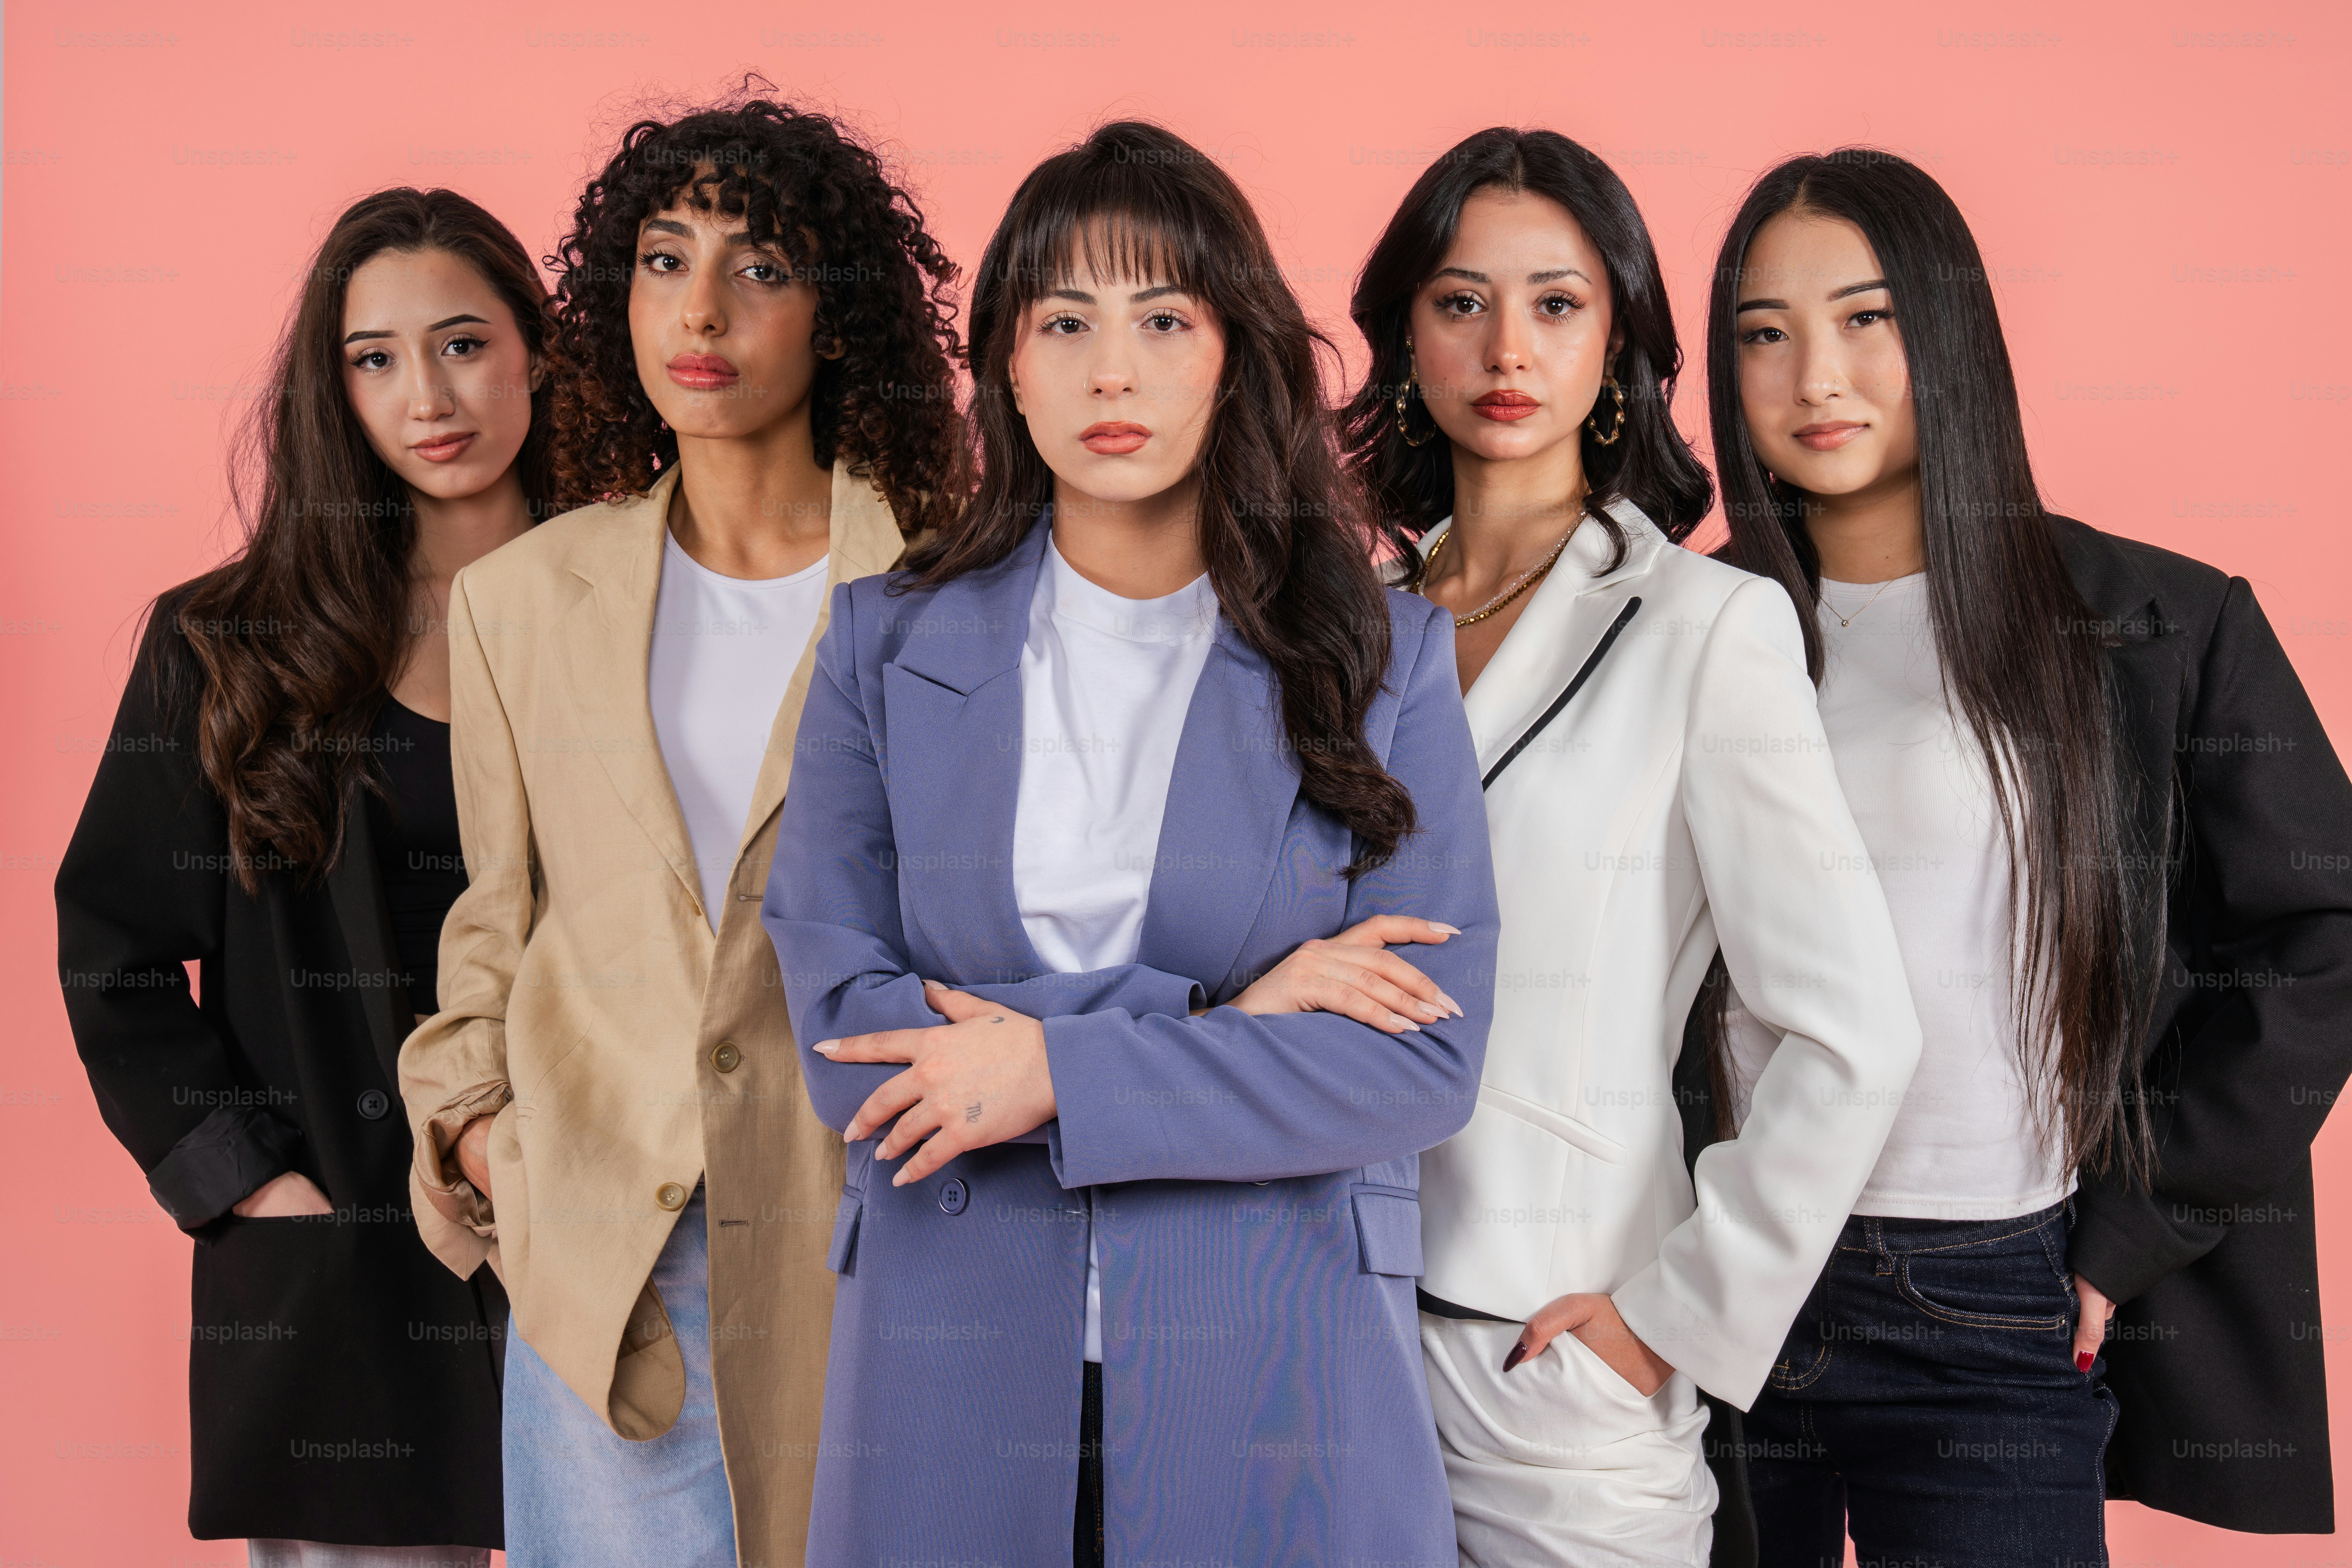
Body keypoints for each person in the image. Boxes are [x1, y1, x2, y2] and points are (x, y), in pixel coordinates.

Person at [762, 119, 1499, 1568]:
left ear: (1233, 354)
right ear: (1008, 367)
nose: (1115, 370)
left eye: (1165, 318)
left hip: (1277, 1373)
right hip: (951, 1362)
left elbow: (1419, 1056)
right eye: (1067, 321)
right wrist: (1232, 1020)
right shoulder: (884, 643)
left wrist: (1043, 1066)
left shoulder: (1383, 656)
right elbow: (847, 1033)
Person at [1708, 148, 2352, 1562]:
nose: (1816, 374)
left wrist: (2128, 1234)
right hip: (1725, 1277)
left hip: (1995, 1287)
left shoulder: (2152, 627)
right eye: (1765, 332)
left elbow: (2320, 937)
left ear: (1951, 331)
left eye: (1867, 318)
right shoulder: (1684, 629)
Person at [1339, 126, 1923, 1568]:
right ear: (1406, 334)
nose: (1505, 348)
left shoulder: (1703, 626)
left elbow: (1855, 1030)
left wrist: (1669, 1321)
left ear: (1623, 346)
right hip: (1320, 1323)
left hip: (1550, 1351)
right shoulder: (1347, 629)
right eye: (1460, 301)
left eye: (1558, 303)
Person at [394, 96, 962, 1568]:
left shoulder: (948, 590)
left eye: (761, 266)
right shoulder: (521, 600)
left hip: (876, 1246)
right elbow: (495, 930)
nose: (700, 309)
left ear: (836, 318)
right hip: (609, 1273)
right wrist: (477, 1131)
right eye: (663, 259)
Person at [57, 186, 552, 1567]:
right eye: (375, 359)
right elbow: (115, 950)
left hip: (597, 1242)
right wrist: (248, 1183)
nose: (428, 397)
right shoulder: (227, 647)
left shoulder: (639, 615)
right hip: (345, 1265)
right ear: (332, 390)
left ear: (537, 353)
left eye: (463, 343)